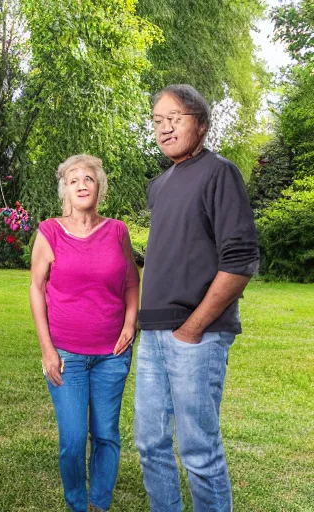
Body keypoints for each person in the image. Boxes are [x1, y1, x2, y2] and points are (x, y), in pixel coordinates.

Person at [134, 84, 260, 512]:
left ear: (201, 125)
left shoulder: (219, 172)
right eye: (157, 120)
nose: (165, 127)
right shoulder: (159, 185)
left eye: (175, 118)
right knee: (150, 444)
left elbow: (240, 260)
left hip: (196, 336)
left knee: (199, 453)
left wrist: (192, 328)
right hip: (151, 335)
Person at [30, 154, 139, 512]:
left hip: (112, 354)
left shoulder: (118, 231)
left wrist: (129, 323)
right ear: (65, 189)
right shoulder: (49, 231)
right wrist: (47, 349)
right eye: (74, 179)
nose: (81, 184)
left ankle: (99, 505)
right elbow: (36, 288)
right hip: (67, 355)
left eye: (88, 179)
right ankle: (78, 504)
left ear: (99, 188)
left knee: (106, 435)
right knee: (73, 441)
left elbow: (131, 280)